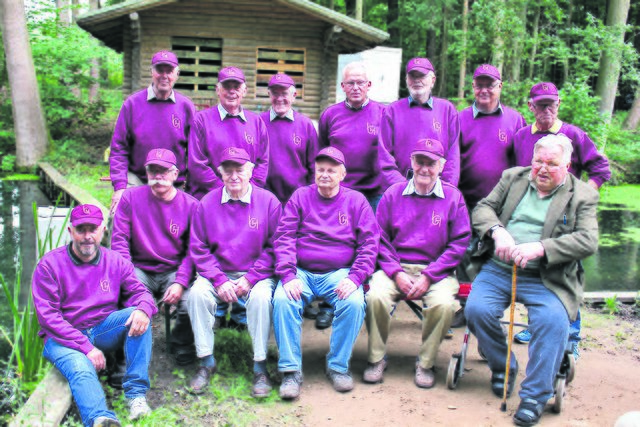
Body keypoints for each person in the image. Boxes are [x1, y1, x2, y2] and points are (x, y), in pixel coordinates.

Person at [465, 134, 599, 426]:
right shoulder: (513, 178)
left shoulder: (583, 195)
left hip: (548, 277)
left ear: (567, 165)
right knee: (476, 310)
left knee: (552, 322)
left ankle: (535, 396)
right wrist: (497, 231)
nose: (543, 168)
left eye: (552, 163)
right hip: (500, 268)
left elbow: (589, 241)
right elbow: (483, 209)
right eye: (538, 161)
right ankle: (504, 366)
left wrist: (542, 248)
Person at [33, 204, 157, 427]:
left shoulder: (116, 261)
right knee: (81, 368)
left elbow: (141, 292)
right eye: (81, 230)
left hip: (102, 328)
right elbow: (48, 318)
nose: (87, 236)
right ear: (71, 232)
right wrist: (86, 347)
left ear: (103, 230)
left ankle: (136, 396)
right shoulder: (49, 265)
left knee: (138, 316)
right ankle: (101, 418)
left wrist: (145, 308)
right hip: (63, 338)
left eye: (93, 229)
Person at [272, 147, 379, 399]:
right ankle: (290, 370)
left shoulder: (356, 201)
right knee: (282, 299)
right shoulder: (300, 197)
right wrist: (288, 276)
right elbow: (284, 237)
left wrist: (354, 278)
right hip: (302, 272)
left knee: (353, 301)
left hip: (338, 273)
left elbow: (369, 244)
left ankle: (338, 366)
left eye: (331, 170)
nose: (325, 174)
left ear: (343, 174)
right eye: (320, 169)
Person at [364, 138, 471, 388]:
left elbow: (459, 243)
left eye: (431, 163)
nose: (424, 168)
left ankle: (425, 363)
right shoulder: (392, 194)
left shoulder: (453, 198)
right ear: (411, 163)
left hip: (437, 272)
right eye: (419, 162)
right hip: (395, 268)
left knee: (444, 304)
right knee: (375, 295)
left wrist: (429, 275)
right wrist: (396, 272)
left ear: (441, 166)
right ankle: (376, 358)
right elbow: (379, 238)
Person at [512, 82, 610, 350]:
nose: (547, 109)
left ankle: (571, 338)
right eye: (541, 104)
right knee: (533, 275)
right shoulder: (521, 136)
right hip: (530, 218)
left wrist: (581, 198)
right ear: (530, 106)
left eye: (551, 104)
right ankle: (536, 328)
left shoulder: (574, 136)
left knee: (566, 277)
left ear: (559, 104)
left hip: (564, 221)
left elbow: (601, 169)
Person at [187, 147, 281, 398]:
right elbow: (198, 247)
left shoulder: (269, 202)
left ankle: (260, 366)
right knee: (197, 294)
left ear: (250, 171)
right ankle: (206, 361)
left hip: (255, 274)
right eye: (228, 170)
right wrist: (218, 280)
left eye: (239, 169)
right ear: (221, 173)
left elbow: (275, 247)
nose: (234, 175)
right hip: (217, 273)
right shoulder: (207, 203)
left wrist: (250, 278)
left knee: (261, 299)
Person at [111, 148, 198, 365]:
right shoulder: (130, 198)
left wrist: (180, 282)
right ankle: (126, 356)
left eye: (164, 171)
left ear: (175, 174)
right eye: (153, 171)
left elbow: (193, 250)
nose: (159, 177)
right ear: (146, 173)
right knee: (126, 301)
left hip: (174, 269)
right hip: (139, 268)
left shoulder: (191, 205)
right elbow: (119, 240)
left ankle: (181, 344)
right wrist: (129, 277)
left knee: (190, 302)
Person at [109, 50, 195, 216]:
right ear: (151, 72)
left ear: (176, 74)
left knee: (188, 219)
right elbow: (119, 149)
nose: (164, 76)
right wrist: (120, 187)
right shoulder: (132, 104)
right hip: (138, 178)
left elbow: (194, 152)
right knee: (118, 213)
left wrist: (188, 185)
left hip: (174, 180)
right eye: (159, 70)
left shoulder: (186, 107)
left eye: (169, 71)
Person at [318, 61, 403, 210]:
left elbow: (395, 152)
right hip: (340, 192)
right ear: (343, 86)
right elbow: (323, 152)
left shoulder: (384, 114)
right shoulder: (330, 115)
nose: (356, 87)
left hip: (375, 193)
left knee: (374, 233)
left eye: (360, 82)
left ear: (369, 85)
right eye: (350, 83)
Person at [188, 66, 269, 200]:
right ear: (218, 90)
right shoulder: (201, 120)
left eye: (236, 87)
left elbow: (263, 162)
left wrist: (245, 192)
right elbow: (197, 163)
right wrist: (225, 192)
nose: (231, 92)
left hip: (247, 199)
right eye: (226, 87)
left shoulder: (256, 122)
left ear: (244, 91)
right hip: (210, 199)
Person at [380, 57, 460, 186]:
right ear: (406, 80)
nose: (417, 80)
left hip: (438, 189)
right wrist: (402, 188)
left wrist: (446, 188)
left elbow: (453, 156)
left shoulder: (447, 110)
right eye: (412, 76)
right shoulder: (392, 111)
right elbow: (384, 156)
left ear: (433, 80)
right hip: (402, 189)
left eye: (422, 76)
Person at [459, 64, 526, 210]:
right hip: (466, 204)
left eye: (489, 85)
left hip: (503, 204)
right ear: (472, 86)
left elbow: (522, 162)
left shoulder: (515, 120)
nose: (484, 90)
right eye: (479, 85)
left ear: (500, 86)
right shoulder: (459, 119)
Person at [261, 73, 318, 204]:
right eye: (275, 93)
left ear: (294, 96)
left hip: (298, 199)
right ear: (269, 95)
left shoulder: (305, 125)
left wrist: (310, 195)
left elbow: (314, 165)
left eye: (284, 93)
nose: (280, 98)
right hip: (266, 200)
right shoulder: (259, 123)